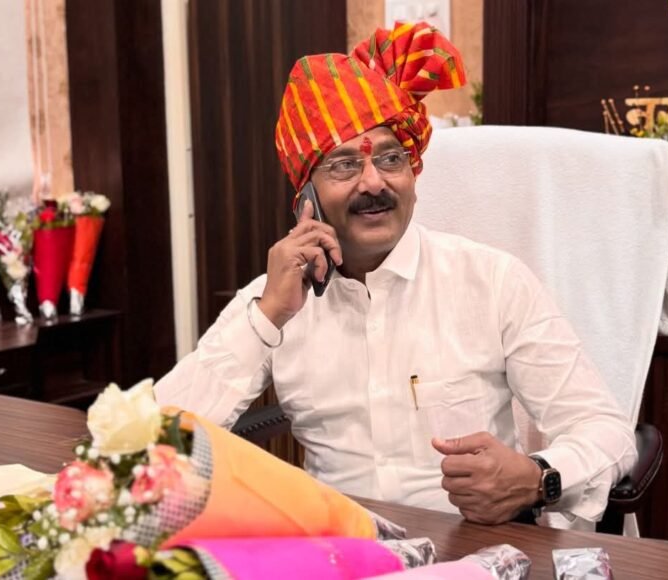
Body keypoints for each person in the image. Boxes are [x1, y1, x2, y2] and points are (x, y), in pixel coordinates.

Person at [156, 22, 637, 526]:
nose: (373, 182)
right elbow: (155, 437)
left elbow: (608, 431)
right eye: (344, 165)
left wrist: (538, 478)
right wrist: (266, 317)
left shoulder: (492, 281)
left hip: (476, 550)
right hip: (339, 549)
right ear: (305, 197)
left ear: (412, 173)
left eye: (391, 159)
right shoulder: (275, 300)